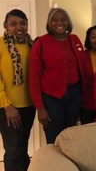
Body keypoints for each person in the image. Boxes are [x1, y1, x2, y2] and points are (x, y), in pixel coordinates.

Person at [29, 8, 84, 144]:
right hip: (51, 99)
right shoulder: (41, 43)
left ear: (68, 22)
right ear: (49, 22)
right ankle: (54, 165)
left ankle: (68, 165)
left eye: (63, 19)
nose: (59, 23)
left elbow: (81, 67)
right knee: (54, 139)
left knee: (71, 137)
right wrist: (40, 108)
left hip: (74, 95)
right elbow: (34, 77)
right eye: (55, 20)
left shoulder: (75, 39)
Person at [0, 9, 35, 171]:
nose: (19, 27)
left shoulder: (32, 45)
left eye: (23, 23)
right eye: (13, 24)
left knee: (22, 149)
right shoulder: (1, 44)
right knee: (13, 151)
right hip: (8, 107)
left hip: (29, 106)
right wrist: (7, 105)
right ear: (6, 26)